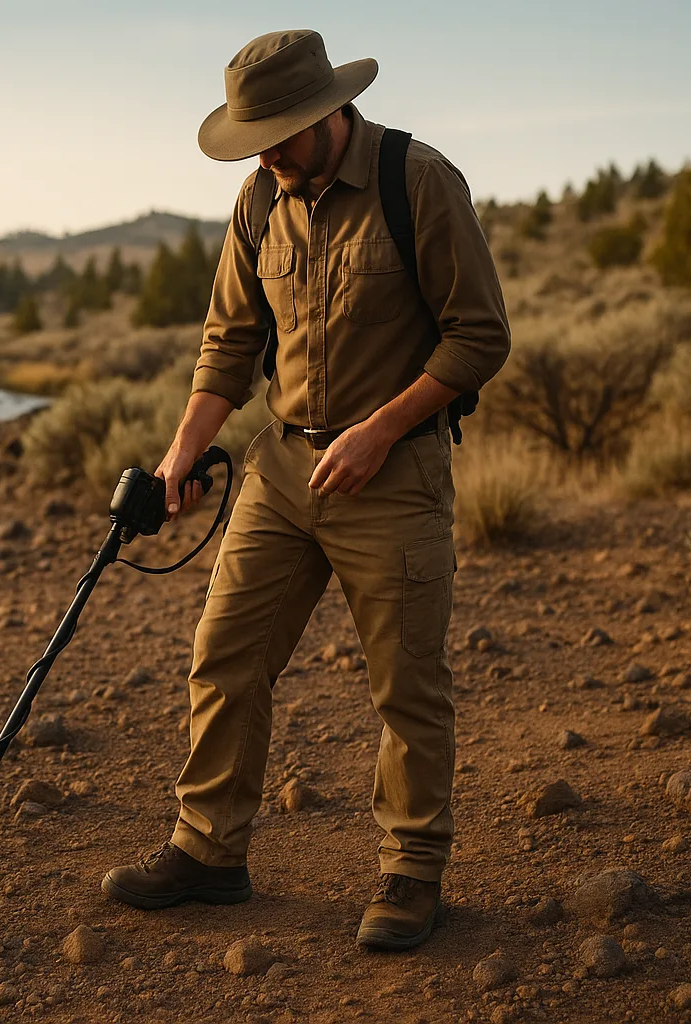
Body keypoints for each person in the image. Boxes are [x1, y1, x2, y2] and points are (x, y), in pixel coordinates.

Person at [100, 29, 511, 952]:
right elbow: (229, 345)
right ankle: (209, 852)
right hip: (281, 469)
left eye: (282, 134)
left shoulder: (420, 182)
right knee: (225, 654)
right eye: (256, 140)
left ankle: (411, 871)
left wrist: (382, 429)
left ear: (331, 112)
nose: (269, 155)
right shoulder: (258, 200)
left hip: (393, 472)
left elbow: (479, 337)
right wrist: (180, 457)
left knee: (407, 683)